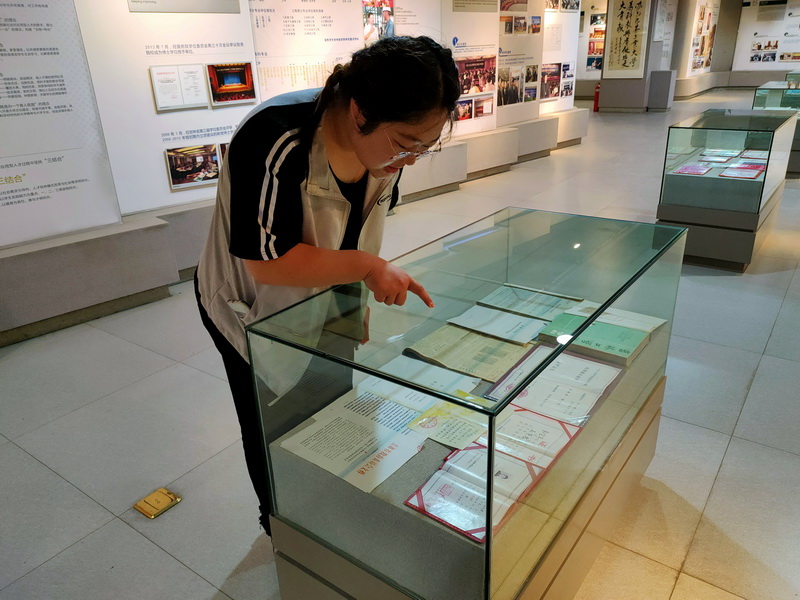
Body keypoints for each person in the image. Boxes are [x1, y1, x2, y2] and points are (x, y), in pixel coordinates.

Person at [194, 36, 460, 536]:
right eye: (406, 143)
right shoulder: (278, 138)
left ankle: (325, 507)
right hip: (249, 303)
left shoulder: (383, 152)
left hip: (328, 295)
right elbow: (268, 265)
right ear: (359, 112)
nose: (410, 159)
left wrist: (353, 301)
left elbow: (359, 228)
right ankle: (283, 527)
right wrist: (366, 269)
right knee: (272, 421)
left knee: (330, 404)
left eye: (425, 147)